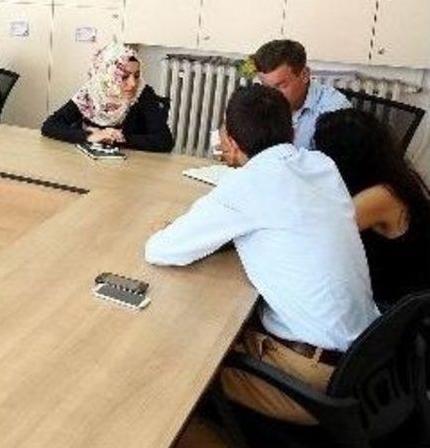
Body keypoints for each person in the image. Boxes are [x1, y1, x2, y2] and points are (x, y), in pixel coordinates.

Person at [146, 84, 378, 425]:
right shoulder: (321, 164)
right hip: (365, 358)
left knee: (175, 367)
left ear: (230, 140)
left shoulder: (249, 184)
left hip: (310, 379)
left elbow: (161, 250)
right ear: (292, 129)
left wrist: (169, 229)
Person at [314, 109, 430, 306]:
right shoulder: (392, 175)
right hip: (393, 288)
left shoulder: (380, 196)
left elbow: (320, 234)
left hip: (398, 304)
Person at [41, 42, 174, 152]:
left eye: (136, 75)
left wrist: (116, 138)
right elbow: (50, 126)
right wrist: (91, 136)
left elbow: (164, 141)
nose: (133, 83)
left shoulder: (143, 93)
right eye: (124, 76)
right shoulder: (91, 93)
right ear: (105, 77)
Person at [252, 39, 349, 150]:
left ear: (305, 75)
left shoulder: (335, 111)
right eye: (266, 87)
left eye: (280, 86)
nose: (271, 95)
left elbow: (333, 160)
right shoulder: (264, 100)